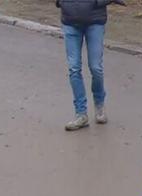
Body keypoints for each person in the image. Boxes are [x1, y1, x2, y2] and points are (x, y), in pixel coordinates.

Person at [56, 0, 126, 131]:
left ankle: (99, 104)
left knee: (96, 68)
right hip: (70, 21)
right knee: (74, 68)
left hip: (95, 21)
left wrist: (95, 2)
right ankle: (81, 114)